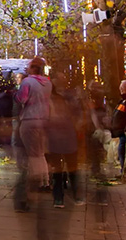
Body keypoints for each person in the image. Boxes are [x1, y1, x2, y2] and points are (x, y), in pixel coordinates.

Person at [15, 57, 52, 199]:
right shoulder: (47, 83)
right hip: (44, 119)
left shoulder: (27, 82)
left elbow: (21, 99)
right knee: (41, 152)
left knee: (33, 153)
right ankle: (45, 180)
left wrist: (16, 94)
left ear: (33, 68)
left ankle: (38, 181)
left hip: (30, 119)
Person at [46, 72, 83, 208]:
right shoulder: (67, 98)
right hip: (61, 137)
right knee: (63, 169)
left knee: (65, 169)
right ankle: (65, 197)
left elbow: (78, 115)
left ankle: (64, 197)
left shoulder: (64, 98)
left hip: (63, 137)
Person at [112, 80, 126, 173]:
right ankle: (123, 169)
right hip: (120, 131)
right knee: (121, 150)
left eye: (122, 88)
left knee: (122, 150)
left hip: (124, 131)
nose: (121, 89)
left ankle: (124, 170)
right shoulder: (123, 100)